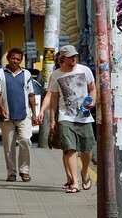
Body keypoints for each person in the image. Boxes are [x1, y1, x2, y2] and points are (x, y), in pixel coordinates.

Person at [38, 44, 96, 193]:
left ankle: (84, 172)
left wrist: (93, 102)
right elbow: (54, 98)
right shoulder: (56, 75)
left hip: (84, 116)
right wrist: (52, 119)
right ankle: (75, 182)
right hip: (65, 116)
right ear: (62, 58)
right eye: (71, 56)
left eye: (75, 56)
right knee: (70, 149)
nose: (74, 58)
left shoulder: (85, 70)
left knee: (87, 149)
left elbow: (93, 89)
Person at [0, 48, 37, 182]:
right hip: (7, 116)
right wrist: (1, 108)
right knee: (9, 145)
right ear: (8, 59)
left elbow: (31, 94)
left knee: (25, 140)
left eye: (18, 59)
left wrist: (34, 113)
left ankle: (25, 171)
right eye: (13, 58)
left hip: (24, 115)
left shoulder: (26, 74)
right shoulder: (0, 73)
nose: (15, 61)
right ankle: (11, 172)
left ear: (21, 60)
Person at [39, 51, 74, 189]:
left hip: (79, 115)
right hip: (63, 114)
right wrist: (42, 110)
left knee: (78, 149)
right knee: (67, 148)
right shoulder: (55, 75)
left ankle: (80, 174)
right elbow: (49, 95)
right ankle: (70, 178)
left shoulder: (79, 72)